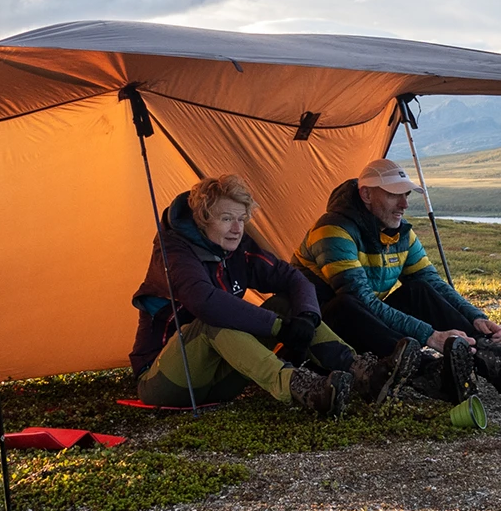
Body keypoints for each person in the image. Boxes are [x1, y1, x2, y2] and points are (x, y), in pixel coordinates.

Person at [129, 173, 418, 418]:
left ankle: (362, 372)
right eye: (227, 218)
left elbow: (293, 278)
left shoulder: (236, 246)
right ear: (202, 218)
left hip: (221, 378)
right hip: (166, 381)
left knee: (289, 304)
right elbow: (204, 301)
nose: (237, 228)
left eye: (242, 219)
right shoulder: (174, 251)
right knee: (211, 322)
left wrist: (305, 316)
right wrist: (280, 327)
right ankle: (301, 387)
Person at [295, 158, 501, 402]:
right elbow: (360, 299)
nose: (404, 204)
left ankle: (494, 360)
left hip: (363, 323)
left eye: (406, 195)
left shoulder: (400, 233)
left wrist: (476, 317)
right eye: (394, 194)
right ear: (366, 195)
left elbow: (433, 282)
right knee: (346, 305)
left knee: (419, 289)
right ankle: (430, 373)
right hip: (319, 333)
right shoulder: (332, 230)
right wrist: (430, 336)